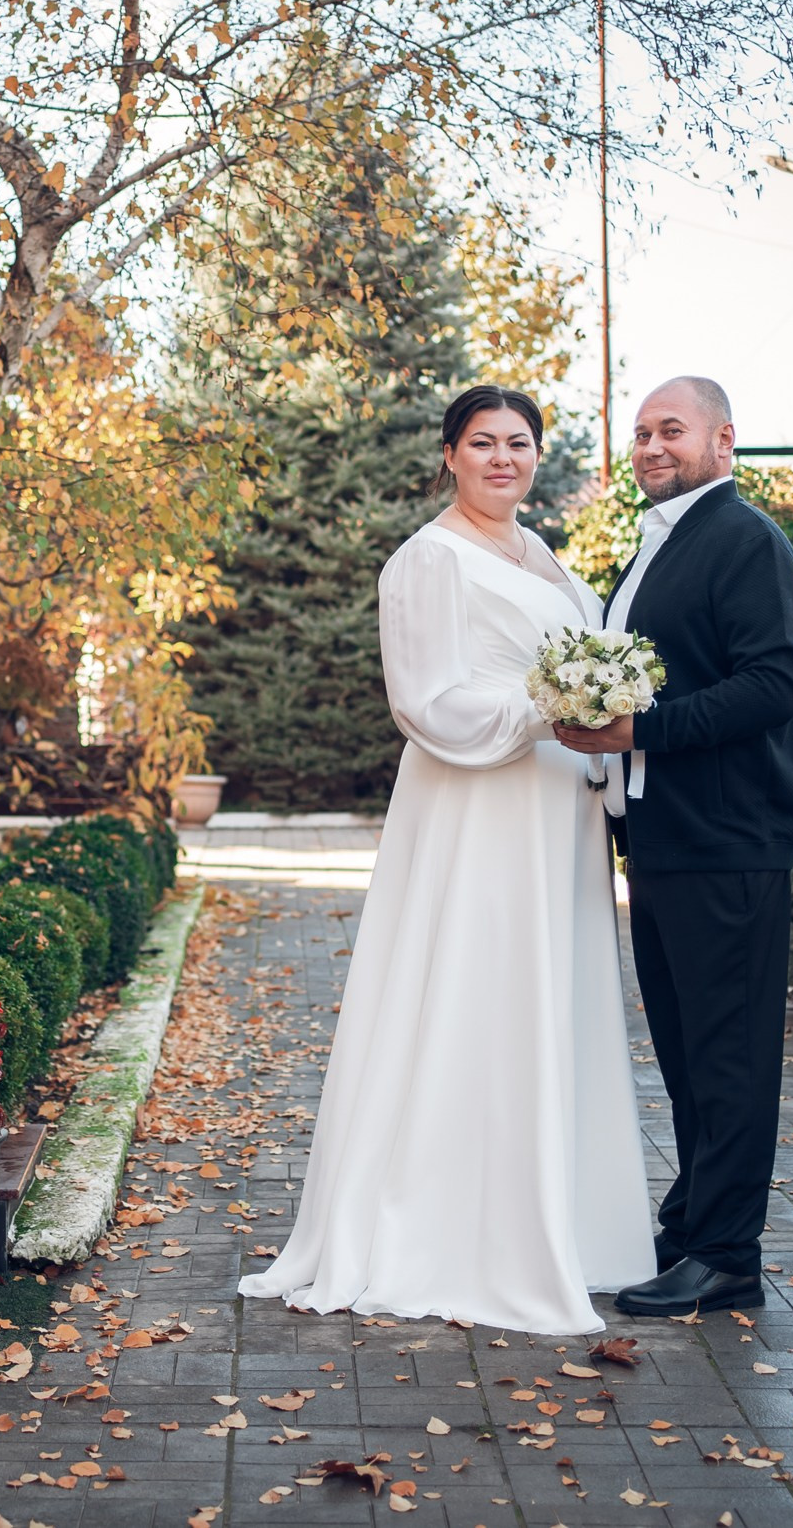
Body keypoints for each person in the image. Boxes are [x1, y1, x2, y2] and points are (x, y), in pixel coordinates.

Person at [238, 385, 656, 1334]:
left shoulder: (543, 555)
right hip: (479, 809)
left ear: (535, 457)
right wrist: (546, 708)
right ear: (450, 454)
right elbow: (426, 702)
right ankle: (451, 1233)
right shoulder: (425, 561)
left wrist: (590, 713)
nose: (502, 458)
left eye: (518, 443)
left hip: (558, 812)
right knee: (478, 992)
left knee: (550, 997)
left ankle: (568, 1224)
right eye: (482, 443)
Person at [555, 376, 793, 1316]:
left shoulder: (745, 541)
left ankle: (729, 1257)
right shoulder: (660, 544)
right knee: (687, 1054)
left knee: (732, 1056)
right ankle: (691, 1223)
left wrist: (638, 732)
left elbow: (771, 686)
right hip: (665, 841)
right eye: (639, 433)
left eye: (672, 429)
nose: (651, 446)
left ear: (724, 440)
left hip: (731, 840)